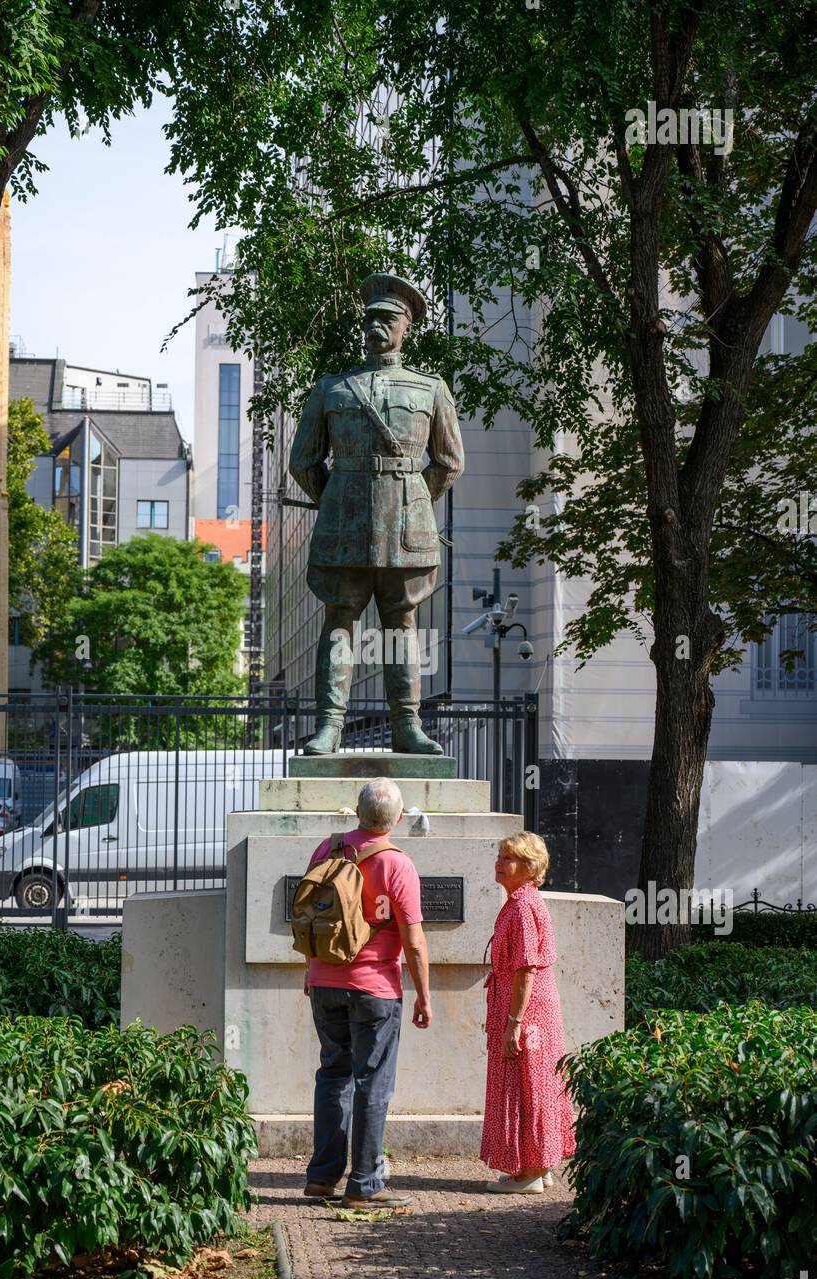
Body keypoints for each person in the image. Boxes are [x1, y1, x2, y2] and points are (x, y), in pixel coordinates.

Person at [288, 271, 464, 756]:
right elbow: (302, 462)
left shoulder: (431, 389)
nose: (376, 325)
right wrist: (337, 499)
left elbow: (449, 462)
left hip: (406, 530)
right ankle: (329, 726)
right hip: (344, 526)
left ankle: (407, 726)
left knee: (401, 621)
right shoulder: (331, 389)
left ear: (407, 327)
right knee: (339, 618)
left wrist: (411, 501)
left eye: (387, 318)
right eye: (370, 318)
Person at [302, 776, 431, 1209]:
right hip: (375, 987)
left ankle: (321, 1178)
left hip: (324, 980)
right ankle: (365, 1184)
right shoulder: (398, 864)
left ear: (357, 813)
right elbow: (413, 940)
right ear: (396, 818)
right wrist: (424, 995)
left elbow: (311, 916)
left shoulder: (327, 850)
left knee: (332, 1076)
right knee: (373, 1082)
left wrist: (311, 970)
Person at [481, 832, 576, 1193]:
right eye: (500, 855)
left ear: (530, 867)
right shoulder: (523, 900)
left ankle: (530, 1173)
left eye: (509, 858)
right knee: (535, 1083)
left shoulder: (522, 905)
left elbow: (525, 969)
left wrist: (513, 1023)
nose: (500, 863)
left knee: (527, 1084)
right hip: (533, 1005)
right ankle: (540, 1165)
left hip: (528, 1009)